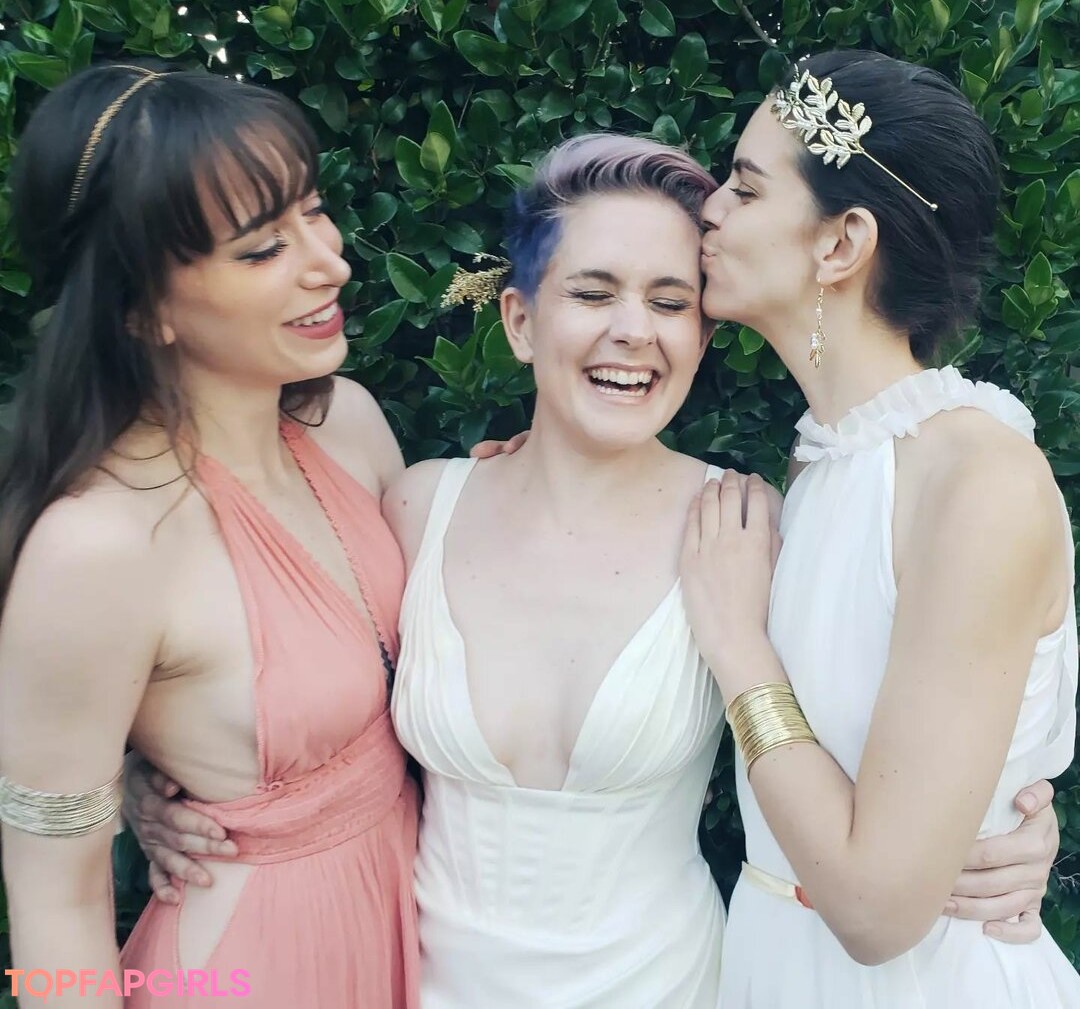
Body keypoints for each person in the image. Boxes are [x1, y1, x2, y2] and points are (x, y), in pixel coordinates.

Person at [131, 130, 1061, 1007]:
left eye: (670, 302)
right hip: (425, 982)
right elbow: (276, 665)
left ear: (701, 335)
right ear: (520, 320)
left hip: (666, 984)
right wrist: (150, 775)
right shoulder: (417, 508)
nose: (633, 330)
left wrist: (1005, 824)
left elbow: (879, 734)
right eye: (592, 292)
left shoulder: (749, 528)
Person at [0, 63, 419, 1007]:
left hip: (416, 930)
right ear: (140, 305)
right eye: (263, 247)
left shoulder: (348, 425)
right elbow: (55, 903)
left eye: (315, 211)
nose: (330, 262)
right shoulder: (97, 548)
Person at [682, 50, 1079, 1005]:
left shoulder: (977, 479)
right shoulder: (824, 459)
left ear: (841, 243)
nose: (710, 210)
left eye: (745, 188)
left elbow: (874, 907)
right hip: (777, 962)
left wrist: (738, 647)